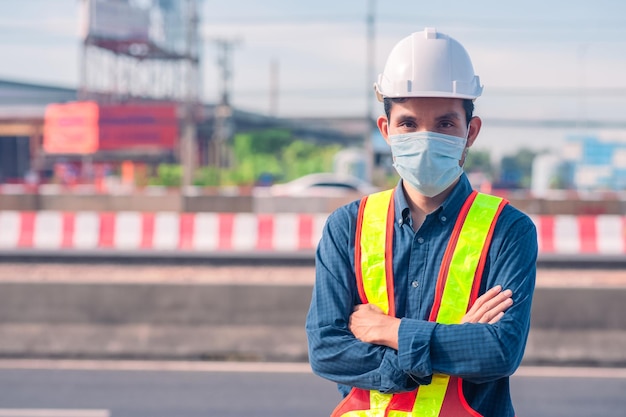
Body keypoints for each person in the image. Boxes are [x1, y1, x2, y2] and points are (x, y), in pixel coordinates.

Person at [305, 27, 537, 417]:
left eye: (445, 124)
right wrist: (449, 345)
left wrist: (389, 331)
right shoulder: (347, 227)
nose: (426, 137)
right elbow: (327, 350)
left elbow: (498, 351)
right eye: (409, 124)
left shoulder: (507, 231)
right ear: (387, 131)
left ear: (470, 133)